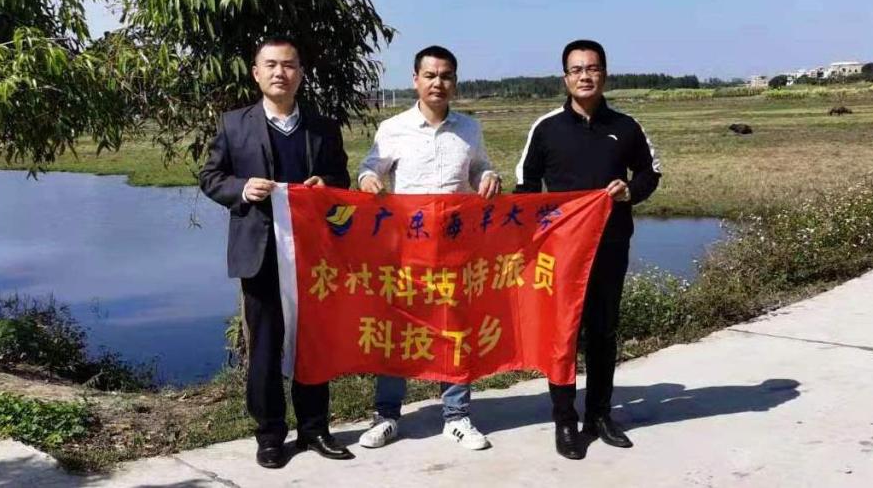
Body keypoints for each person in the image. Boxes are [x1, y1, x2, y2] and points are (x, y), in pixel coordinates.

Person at [200, 37, 355, 469]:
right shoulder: (234, 124)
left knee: (312, 344)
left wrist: (326, 186)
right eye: (270, 65)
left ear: (300, 73)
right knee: (265, 348)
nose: (279, 73)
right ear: (256, 73)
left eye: (288, 65)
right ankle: (269, 435)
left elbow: (340, 178)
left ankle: (315, 428)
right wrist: (241, 188)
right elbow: (211, 176)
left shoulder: (323, 127)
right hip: (260, 254)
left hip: (312, 254)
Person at [514, 39, 661, 460]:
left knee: (603, 331)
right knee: (562, 335)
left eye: (592, 68)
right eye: (576, 69)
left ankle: (599, 415)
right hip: (560, 253)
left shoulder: (626, 126)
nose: (585, 76)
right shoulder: (546, 128)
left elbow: (650, 171)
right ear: (565, 78)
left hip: (610, 244)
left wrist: (629, 191)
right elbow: (525, 186)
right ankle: (564, 419)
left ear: (604, 74)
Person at [355, 45, 502, 451]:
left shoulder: (469, 128)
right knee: (397, 332)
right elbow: (369, 167)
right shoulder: (393, 128)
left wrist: (488, 177)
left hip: (455, 250)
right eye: (430, 75)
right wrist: (367, 180)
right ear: (415, 79)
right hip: (405, 251)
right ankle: (386, 416)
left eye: (446, 76)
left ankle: (456, 416)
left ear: (455, 81)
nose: (438, 83)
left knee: (455, 330)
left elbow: (480, 167)